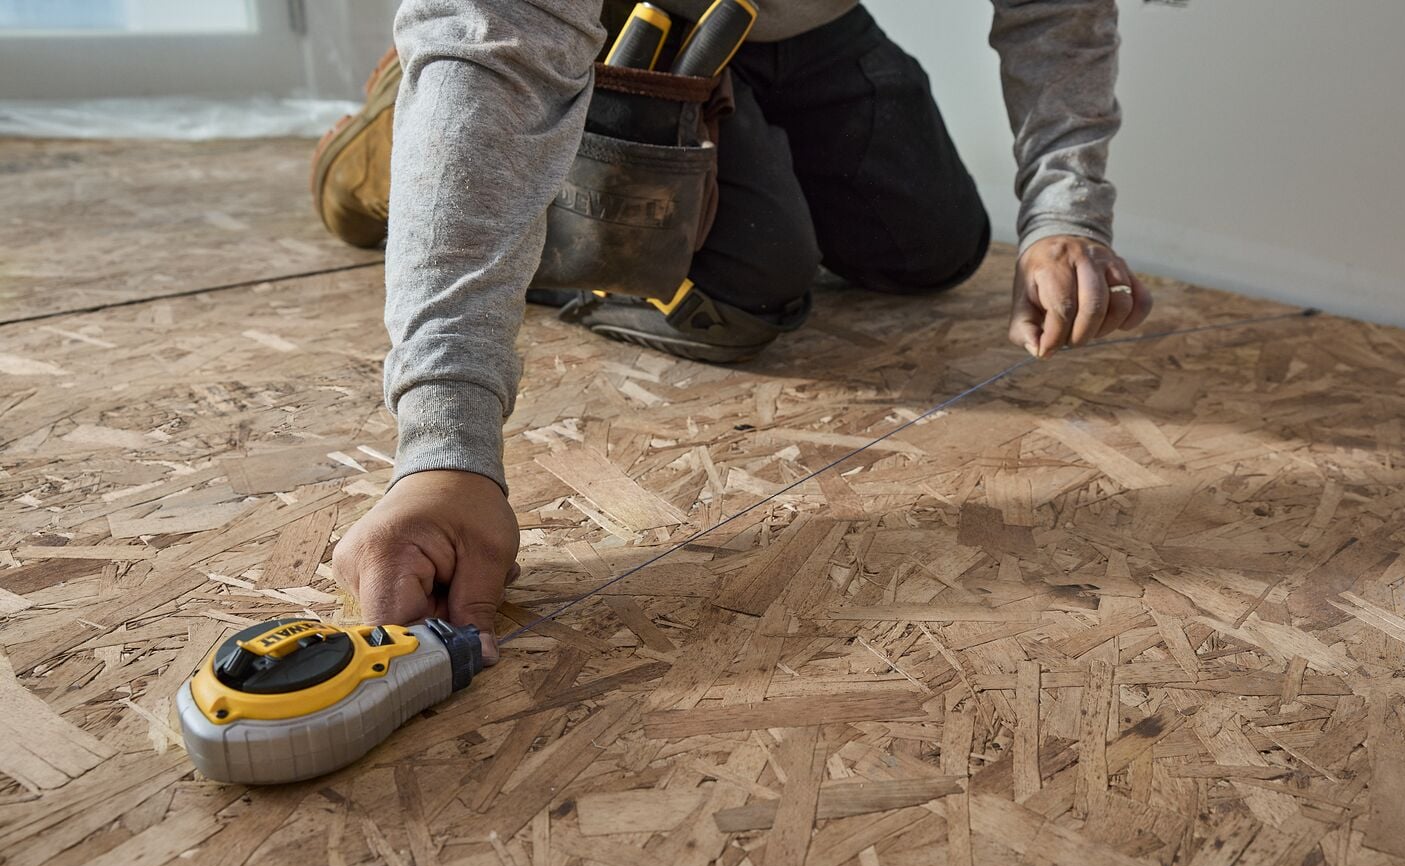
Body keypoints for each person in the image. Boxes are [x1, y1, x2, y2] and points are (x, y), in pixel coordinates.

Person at [321, 1, 1153, 659]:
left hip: (810, 23)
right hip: (624, 21)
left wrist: (1064, 214)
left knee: (937, 248)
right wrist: (445, 444)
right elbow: (500, 40)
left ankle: (701, 155)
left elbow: (1057, 9)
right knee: (751, 293)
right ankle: (412, 128)